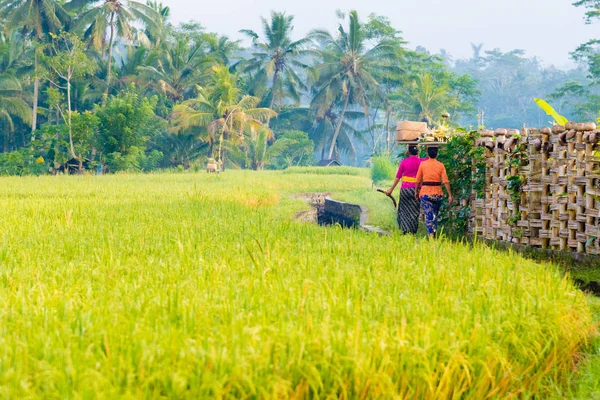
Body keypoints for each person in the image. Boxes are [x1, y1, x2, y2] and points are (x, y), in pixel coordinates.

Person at [415, 146, 453, 238]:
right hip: (437, 194)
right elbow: (445, 181)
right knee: (435, 215)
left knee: (428, 215)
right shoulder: (440, 165)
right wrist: (450, 195)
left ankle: (431, 236)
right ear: (437, 154)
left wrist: (416, 191)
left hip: (425, 193)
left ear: (427, 154)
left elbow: (418, 180)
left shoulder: (423, 164)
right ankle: (433, 233)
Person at [386, 145, 425, 234]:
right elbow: (430, 157)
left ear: (408, 152)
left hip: (405, 190)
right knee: (414, 211)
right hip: (416, 190)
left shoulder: (404, 162)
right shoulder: (422, 162)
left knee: (403, 210)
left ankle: (404, 230)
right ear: (417, 152)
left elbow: (398, 177)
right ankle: (412, 231)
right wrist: (427, 146)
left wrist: (391, 190)